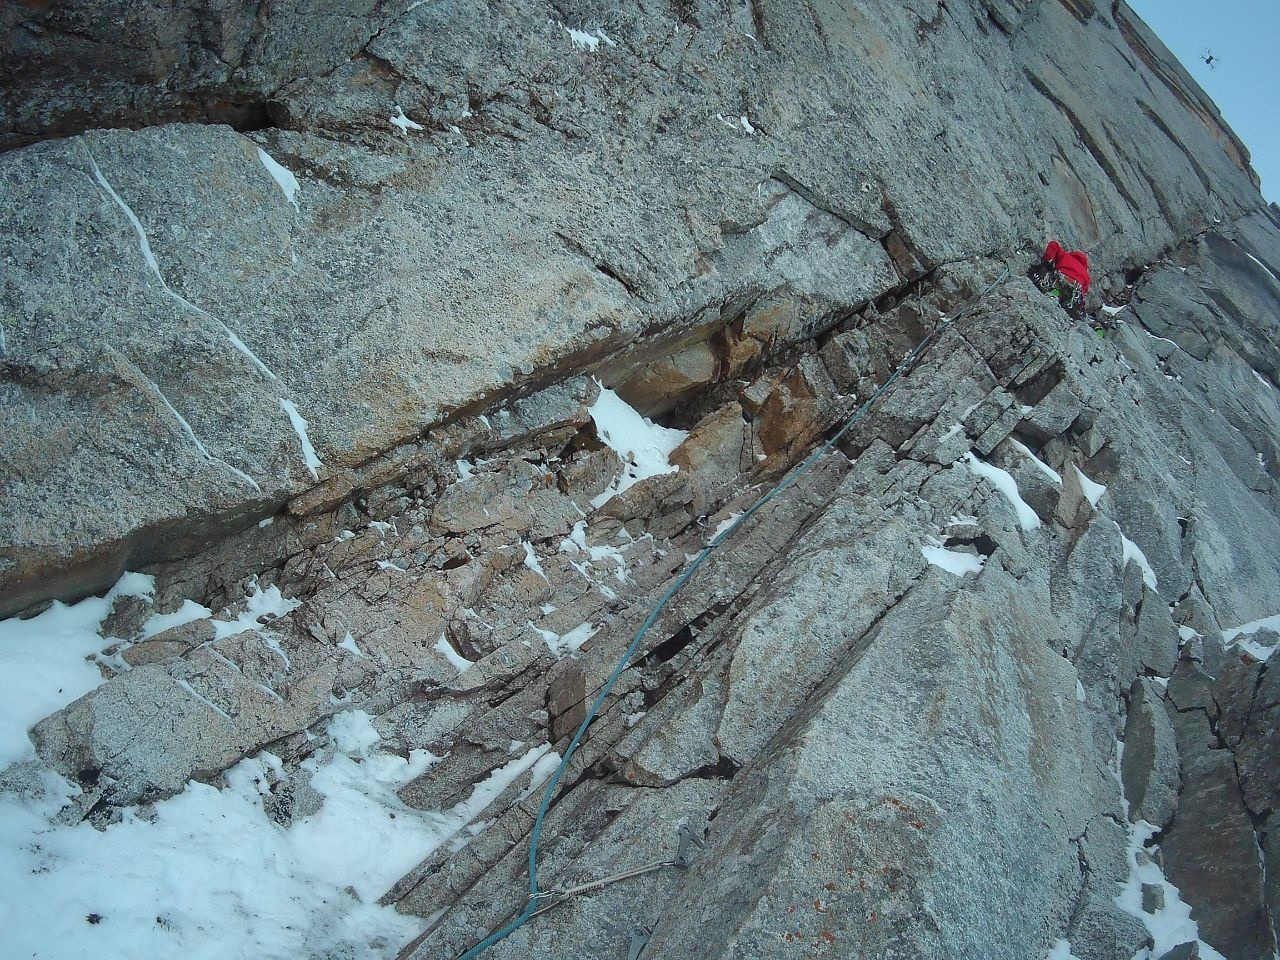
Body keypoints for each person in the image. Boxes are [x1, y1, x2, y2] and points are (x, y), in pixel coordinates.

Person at [1029, 240, 1090, 322]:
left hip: (1061, 278)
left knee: (1056, 286)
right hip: (1074, 288)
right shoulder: (1086, 275)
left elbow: (1054, 245)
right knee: (1068, 297)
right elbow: (1084, 292)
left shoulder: (1065, 256)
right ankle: (1064, 306)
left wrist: (1048, 259)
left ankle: (1053, 294)